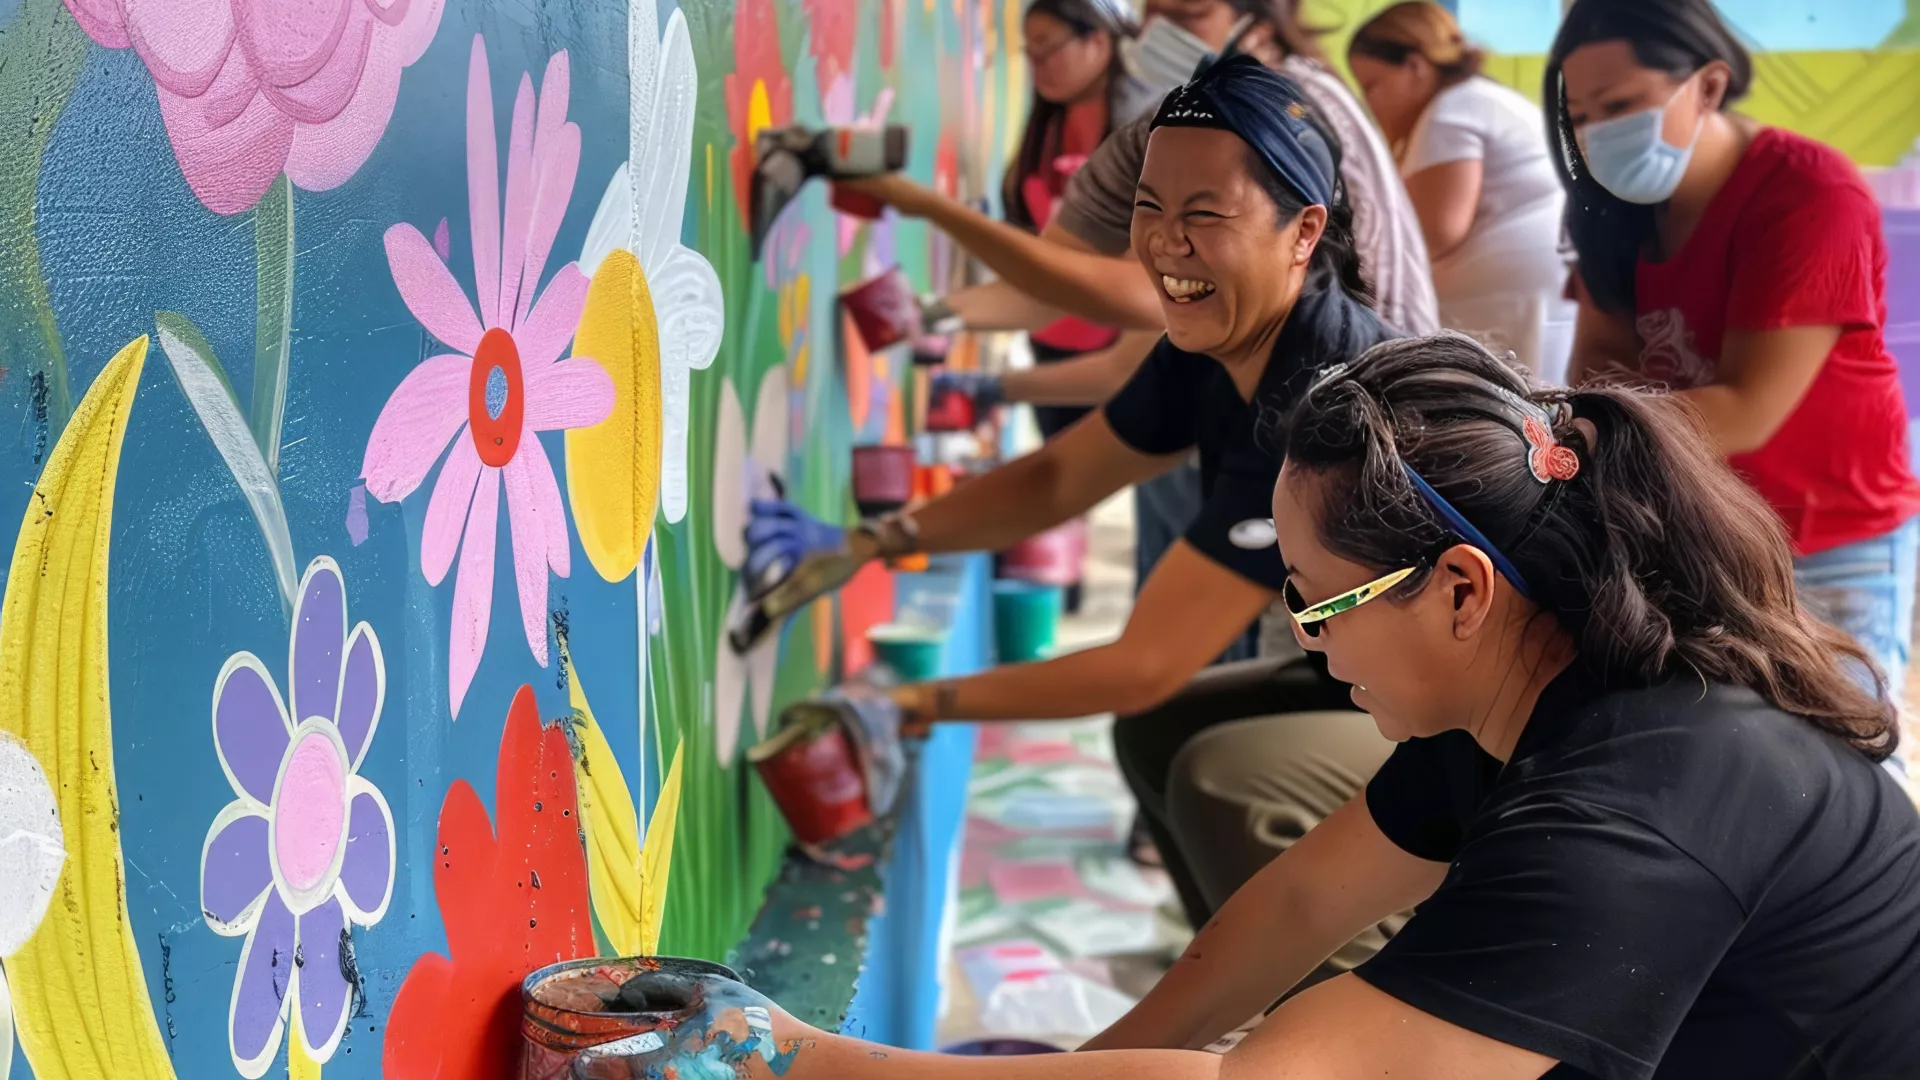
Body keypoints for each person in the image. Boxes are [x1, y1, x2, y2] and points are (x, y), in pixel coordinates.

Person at [592, 333, 1920, 1080]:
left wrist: (804, 1063)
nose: (1297, 634)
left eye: (1319, 600)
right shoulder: (1528, 688)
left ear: (1461, 588)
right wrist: (1069, 1074)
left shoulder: (1641, 806)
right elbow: (1291, 908)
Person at [747, 60, 1385, 806]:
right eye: (1149, 208)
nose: (1166, 244)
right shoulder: (1216, 338)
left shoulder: (1317, 406)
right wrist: (873, 542)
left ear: (1304, 230)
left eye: (1206, 215)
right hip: (1364, 668)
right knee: (1160, 740)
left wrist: (916, 705)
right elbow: (1060, 478)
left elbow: (1144, 664)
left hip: (1474, 726)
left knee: (1214, 774)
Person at [1549, 0, 1920, 755]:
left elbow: (1748, 408)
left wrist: (1566, 441)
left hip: (1826, 538)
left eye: (1620, 107)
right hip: (1692, 531)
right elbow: (1597, 376)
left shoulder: (1810, 193)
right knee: (1717, 767)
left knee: (1839, 770)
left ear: (1709, 86)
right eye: (1581, 113)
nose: (1596, 134)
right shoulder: (1615, 210)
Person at [1347, 2, 1574, 383]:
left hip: (1516, 311)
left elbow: (1434, 235)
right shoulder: (1475, 98)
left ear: (1415, 67)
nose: (1369, 103)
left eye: (1373, 85)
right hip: (1532, 303)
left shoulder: (1450, 112)